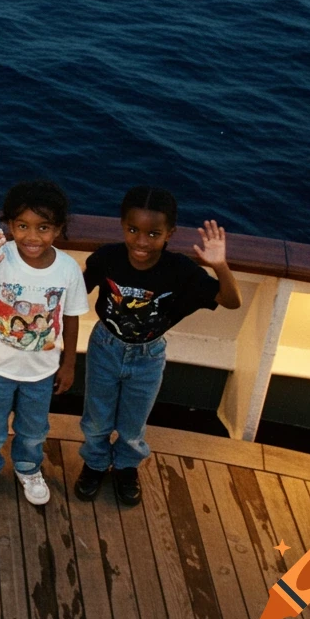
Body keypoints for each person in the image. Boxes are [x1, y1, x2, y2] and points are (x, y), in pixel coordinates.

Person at [74, 186, 242, 506]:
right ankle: (95, 463)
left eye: (153, 234)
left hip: (148, 356)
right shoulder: (106, 258)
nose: (141, 241)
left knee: (133, 423)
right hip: (105, 347)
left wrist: (219, 265)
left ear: (169, 234)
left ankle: (125, 467)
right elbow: (74, 291)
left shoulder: (181, 271)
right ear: (122, 225)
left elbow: (231, 301)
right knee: (96, 419)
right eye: (133, 230)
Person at [0, 181, 90, 511]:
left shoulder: (67, 268)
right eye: (22, 226)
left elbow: (71, 316)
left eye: (43, 228)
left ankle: (28, 467)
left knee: (34, 429)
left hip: (42, 373)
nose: (32, 236)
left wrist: (69, 364)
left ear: (58, 229)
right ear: (9, 224)